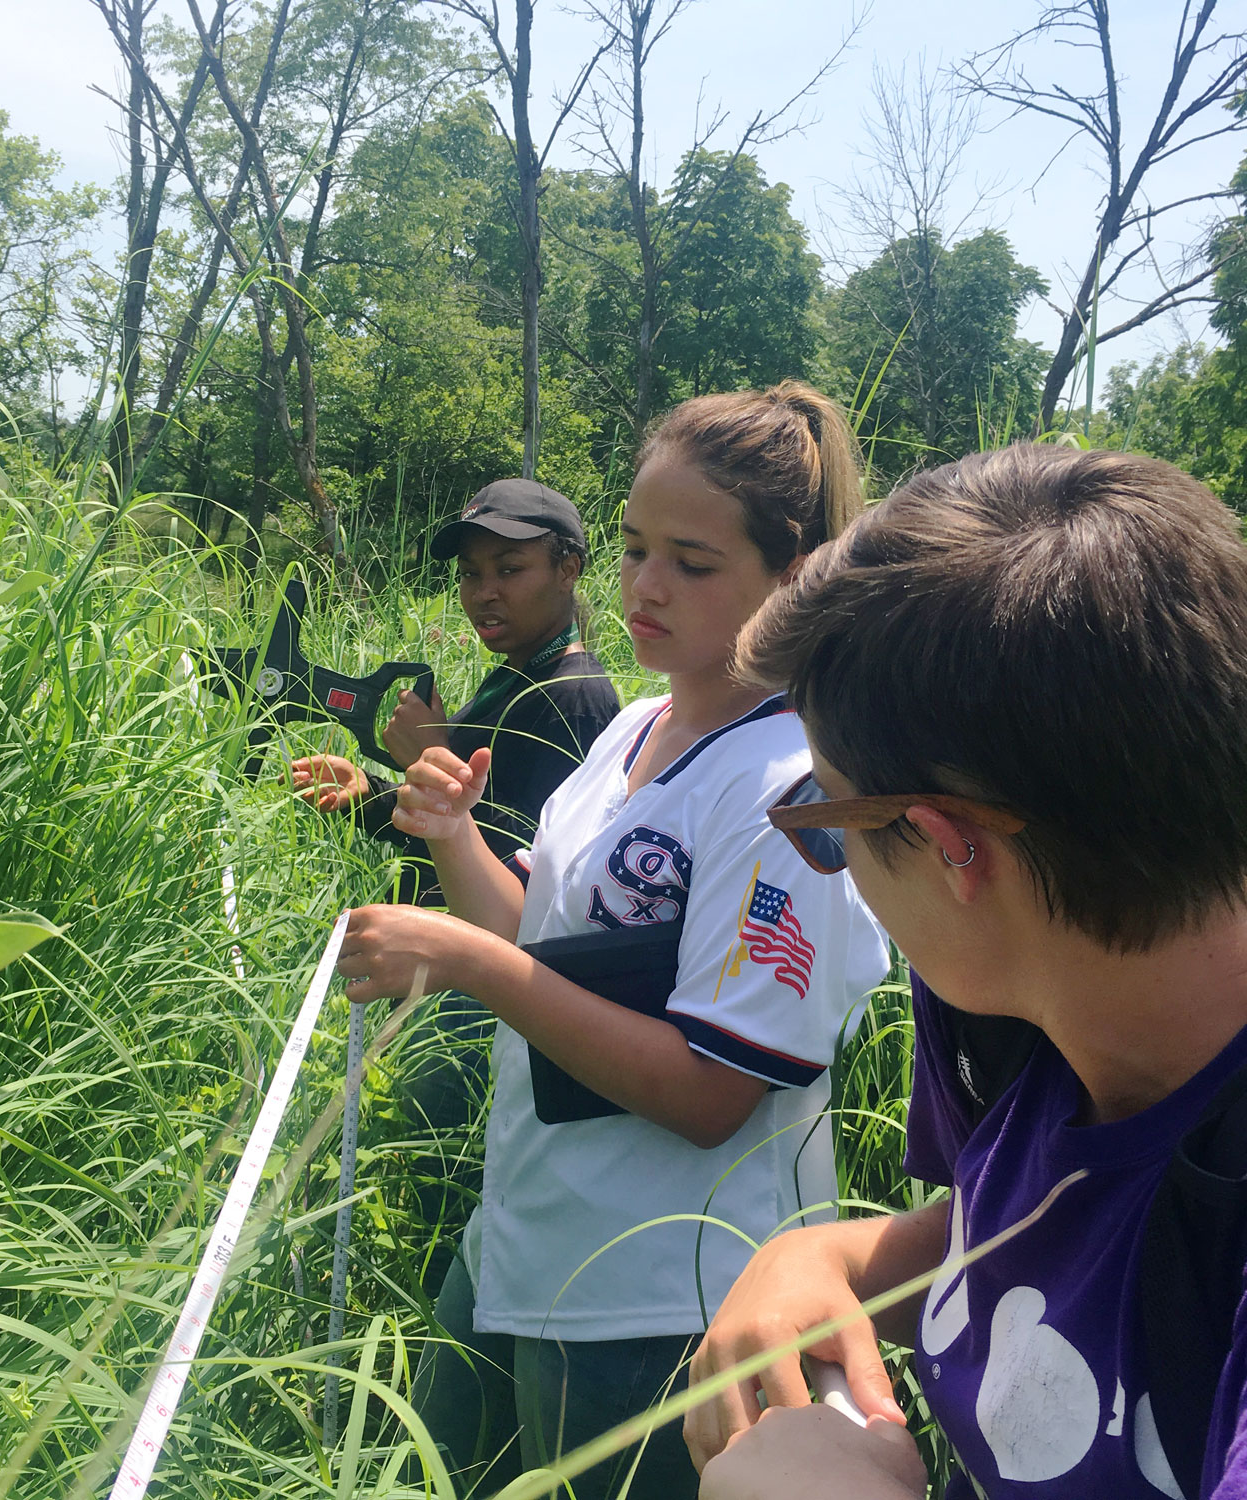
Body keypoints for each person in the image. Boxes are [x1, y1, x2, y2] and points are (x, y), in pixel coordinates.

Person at [681, 445, 1247, 1499]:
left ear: (949, 846)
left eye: (823, 821)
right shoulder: (1054, 1033)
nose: (835, 865)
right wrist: (831, 1261)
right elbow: (1049, 1228)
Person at [334, 382, 893, 1500]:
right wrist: (451, 841)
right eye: (634, 548)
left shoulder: (790, 792)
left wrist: (462, 961)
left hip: (670, 1300)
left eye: (691, 562)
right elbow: (542, 937)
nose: (644, 587)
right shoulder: (640, 723)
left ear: (793, 577)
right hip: (532, 1239)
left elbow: (709, 1093)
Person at [292, 480, 622, 1277]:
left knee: (454, 1205)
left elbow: (533, 882)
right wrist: (371, 795)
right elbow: (455, 834)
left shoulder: (573, 698)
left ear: (570, 566)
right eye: (472, 574)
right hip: (445, 975)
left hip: (486, 1000)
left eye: (510, 568)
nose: (484, 593)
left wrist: (424, 760)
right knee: (430, 1190)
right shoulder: (513, 679)